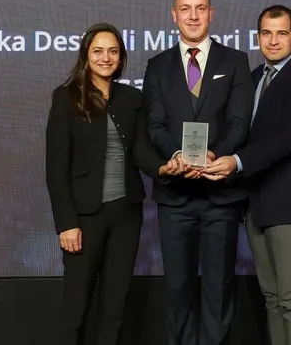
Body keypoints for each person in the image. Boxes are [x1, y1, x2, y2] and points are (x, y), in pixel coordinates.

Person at [45, 22, 187, 345]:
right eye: (98, 51)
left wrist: (164, 168)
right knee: (76, 306)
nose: (105, 58)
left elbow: (140, 151)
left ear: (121, 57)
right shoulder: (66, 97)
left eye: (112, 51)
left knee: (115, 306)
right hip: (84, 217)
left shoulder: (131, 98)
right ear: (86, 55)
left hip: (126, 214)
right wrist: (66, 223)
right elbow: (56, 167)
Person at [204, 5, 291, 345]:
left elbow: (288, 137)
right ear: (258, 37)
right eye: (266, 33)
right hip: (258, 205)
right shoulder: (255, 78)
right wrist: (213, 153)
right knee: (273, 298)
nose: (273, 41)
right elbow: (241, 132)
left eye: (281, 33)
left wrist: (236, 161)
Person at [142, 0, 253, 345]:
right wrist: (177, 154)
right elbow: (155, 125)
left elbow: (239, 123)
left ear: (211, 13)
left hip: (221, 196)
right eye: (185, 9)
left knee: (218, 289)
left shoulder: (235, 61)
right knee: (177, 289)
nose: (193, 16)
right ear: (174, 15)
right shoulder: (157, 66)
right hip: (175, 196)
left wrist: (214, 154)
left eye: (200, 8)